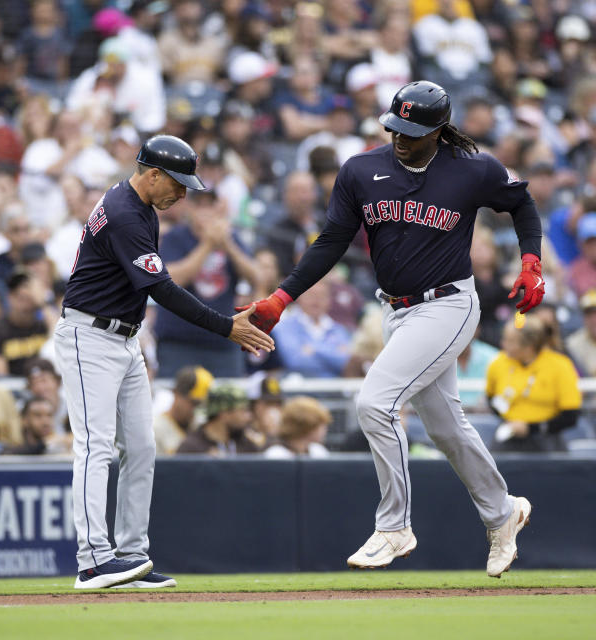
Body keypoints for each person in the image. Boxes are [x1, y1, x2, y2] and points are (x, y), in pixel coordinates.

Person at [237, 82, 540, 577]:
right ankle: (504, 513)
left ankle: (395, 526)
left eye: (413, 131)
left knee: (375, 402)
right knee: (446, 427)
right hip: (395, 311)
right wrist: (282, 297)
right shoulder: (361, 169)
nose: (400, 137)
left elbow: (522, 204)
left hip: (449, 304)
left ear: (439, 130)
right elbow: (331, 240)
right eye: (394, 126)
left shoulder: (473, 167)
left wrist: (530, 260)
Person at [52, 135, 273, 590]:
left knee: (142, 447)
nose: (183, 193)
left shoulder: (139, 207)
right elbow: (163, 290)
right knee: (95, 446)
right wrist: (226, 326)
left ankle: (130, 557)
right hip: (89, 335)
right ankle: (93, 560)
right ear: (152, 174)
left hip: (124, 337)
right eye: (177, 183)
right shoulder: (124, 214)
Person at [155, 189, 259, 377]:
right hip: (179, 342)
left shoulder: (231, 239)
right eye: (199, 205)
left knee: (228, 402)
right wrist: (208, 245)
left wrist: (228, 245)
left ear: (218, 209)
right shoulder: (174, 238)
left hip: (224, 341)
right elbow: (170, 280)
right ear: (189, 208)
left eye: (209, 205)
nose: (205, 211)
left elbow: (257, 277)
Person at [486, 317, 583, 453]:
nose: (503, 344)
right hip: (507, 435)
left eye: (510, 341)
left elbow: (570, 415)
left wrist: (532, 428)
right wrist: (511, 422)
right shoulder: (498, 363)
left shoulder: (560, 365)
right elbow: (491, 398)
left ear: (529, 347)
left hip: (547, 438)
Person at [271, 277, 351, 378]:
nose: (316, 301)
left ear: (329, 300)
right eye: (311, 295)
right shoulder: (283, 327)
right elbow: (294, 361)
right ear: (299, 296)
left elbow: (346, 362)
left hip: (334, 391)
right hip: (297, 390)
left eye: (321, 296)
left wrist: (313, 350)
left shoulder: (339, 330)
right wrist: (333, 352)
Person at [175, 384, 263, 455]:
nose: (249, 416)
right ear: (224, 413)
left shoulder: (246, 445)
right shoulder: (192, 448)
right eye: (243, 411)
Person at [0, 272, 48, 376]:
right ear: (9, 297)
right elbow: (1, 377)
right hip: (14, 388)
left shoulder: (44, 325)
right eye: (19, 296)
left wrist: (43, 303)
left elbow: (61, 334)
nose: (24, 298)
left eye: (29, 295)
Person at [152, 365, 213, 456]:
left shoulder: (202, 425)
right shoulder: (155, 428)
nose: (195, 409)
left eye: (200, 405)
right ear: (177, 394)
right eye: (193, 403)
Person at [263, 396, 331, 459]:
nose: (324, 429)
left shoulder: (318, 451)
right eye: (319, 425)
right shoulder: (276, 454)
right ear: (306, 427)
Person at [3, 396, 70, 455]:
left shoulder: (62, 447)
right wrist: (44, 444)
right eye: (38, 415)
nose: (45, 422)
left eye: (49, 415)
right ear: (24, 420)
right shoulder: (12, 447)